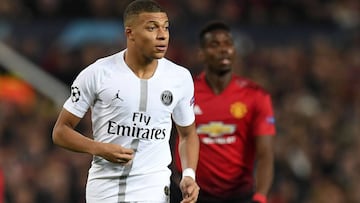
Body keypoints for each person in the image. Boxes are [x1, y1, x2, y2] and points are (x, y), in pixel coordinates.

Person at [52, 1, 200, 202]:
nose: (162, 35)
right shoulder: (98, 73)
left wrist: (189, 175)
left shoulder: (179, 78)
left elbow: (188, 134)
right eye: (151, 28)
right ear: (130, 33)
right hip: (104, 189)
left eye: (165, 27)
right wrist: (100, 148)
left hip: (153, 188)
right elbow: (60, 132)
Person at [171, 21, 276, 203]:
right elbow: (167, 138)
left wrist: (260, 197)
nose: (223, 49)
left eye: (228, 44)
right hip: (190, 193)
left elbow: (265, 153)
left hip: (239, 196)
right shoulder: (185, 91)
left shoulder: (256, 96)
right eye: (215, 45)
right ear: (201, 54)